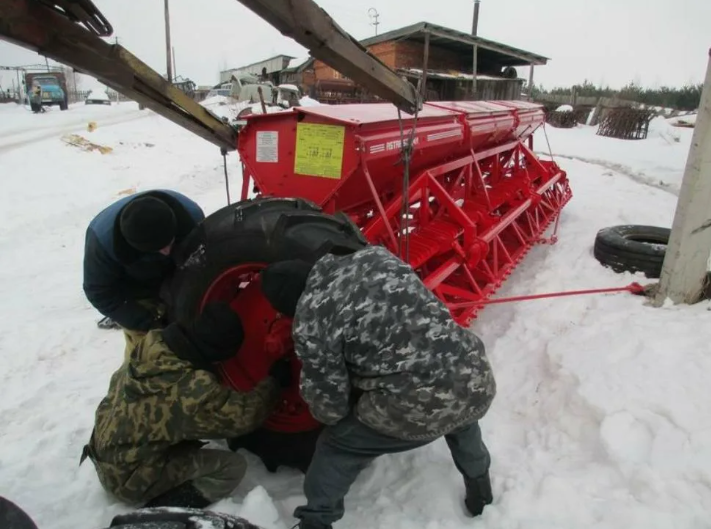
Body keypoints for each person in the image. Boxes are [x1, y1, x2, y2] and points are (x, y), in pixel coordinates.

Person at [260, 245, 497, 529]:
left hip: (418, 403)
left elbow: (330, 407)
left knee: (335, 446)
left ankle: (316, 521)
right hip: (475, 375)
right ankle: (480, 489)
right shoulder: (375, 256)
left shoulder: (312, 321)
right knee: (461, 418)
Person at [80, 302, 293, 508]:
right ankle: (163, 509)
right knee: (231, 468)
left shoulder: (153, 344)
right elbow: (243, 416)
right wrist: (273, 382)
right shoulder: (190, 390)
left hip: (104, 449)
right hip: (125, 479)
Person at [82, 190, 204, 358]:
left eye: (169, 242)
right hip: (133, 288)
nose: (167, 251)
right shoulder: (103, 245)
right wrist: (146, 322)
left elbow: (203, 258)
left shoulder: (190, 216)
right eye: (158, 248)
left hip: (176, 273)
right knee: (147, 353)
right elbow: (100, 293)